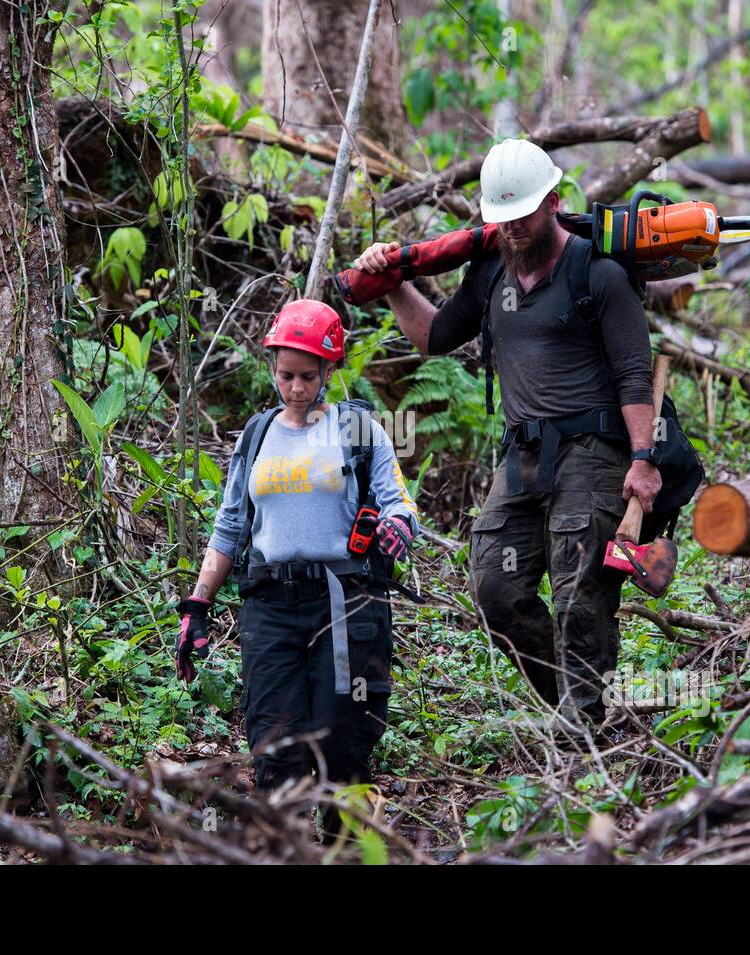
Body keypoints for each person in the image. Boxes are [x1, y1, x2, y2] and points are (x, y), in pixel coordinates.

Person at [353, 138, 658, 726]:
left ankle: (583, 719)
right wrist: (392, 281)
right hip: (522, 453)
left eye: (523, 217)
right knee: (495, 586)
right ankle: (580, 701)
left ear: (553, 202)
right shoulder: (491, 271)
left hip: (594, 450)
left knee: (579, 592)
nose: (514, 230)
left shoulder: (599, 274)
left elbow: (633, 374)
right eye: (503, 220)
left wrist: (643, 460)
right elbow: (435, 336)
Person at [174, 298, 419, 829]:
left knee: (344, 742)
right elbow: (230, 526)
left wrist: (399, 524)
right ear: (272, 369)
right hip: (271, 608)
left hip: (346, 605)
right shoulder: (257, 436)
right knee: (274, 744)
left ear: (329, 370)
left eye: (309, 376)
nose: (297, 388)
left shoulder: (356, 429)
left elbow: (398, 499)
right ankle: (280, 843)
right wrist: (198, 605)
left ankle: (346, 846)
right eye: (286, 375)